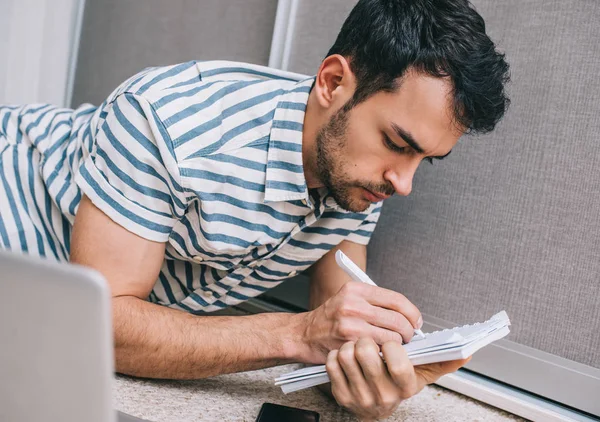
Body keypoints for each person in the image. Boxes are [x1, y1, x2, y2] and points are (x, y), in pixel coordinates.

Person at [0, 0, 509, 419]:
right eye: (398, 142)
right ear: (333, 83)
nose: (404, 182)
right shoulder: (169, 122)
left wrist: (372, 384)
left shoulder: (357, 173)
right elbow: (99, 328)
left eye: (426, 159)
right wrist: (300, 333)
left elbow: (338, 334)